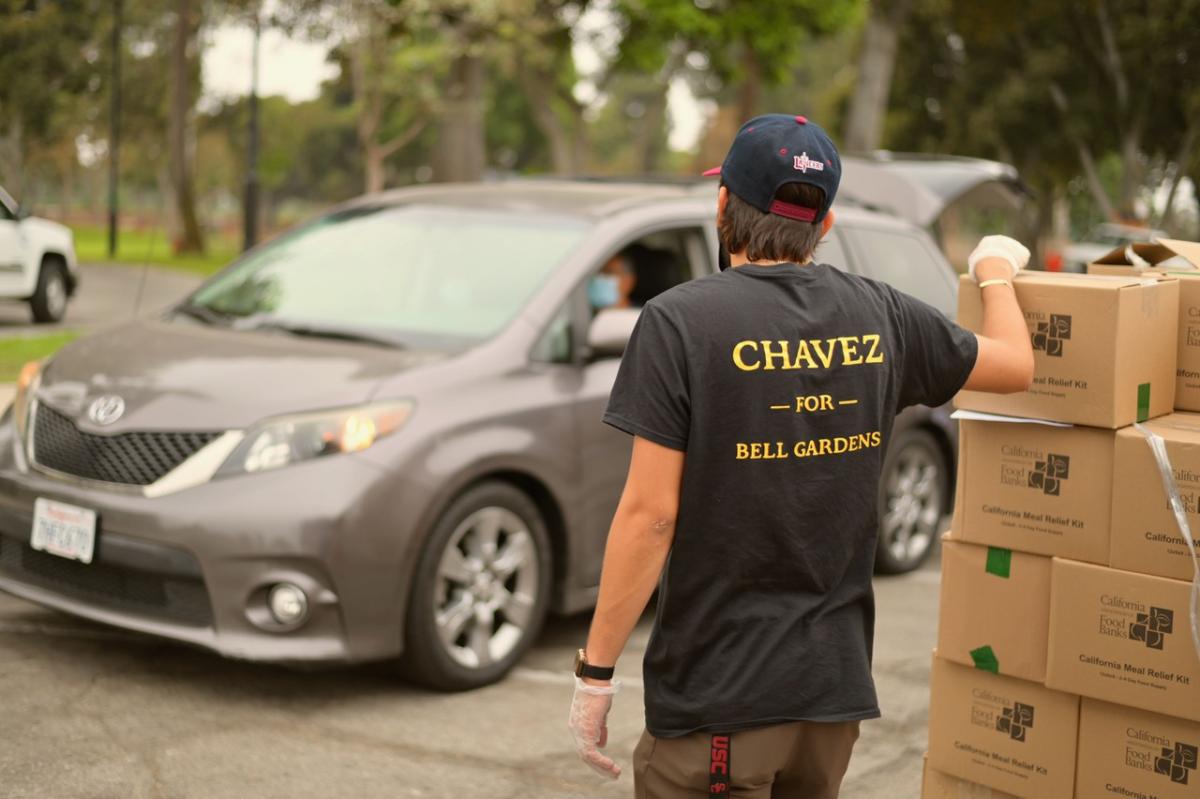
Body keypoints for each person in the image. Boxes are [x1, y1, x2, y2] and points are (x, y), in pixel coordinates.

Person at [566, 113, 1034, 798]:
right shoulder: (885, 316)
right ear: (827, 223)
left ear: (723, 202)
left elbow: (649, 517)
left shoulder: (680, 322)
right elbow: (1016, 365)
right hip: (831, 704)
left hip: (721, 704)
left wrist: (594, 675)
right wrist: (994, 270)